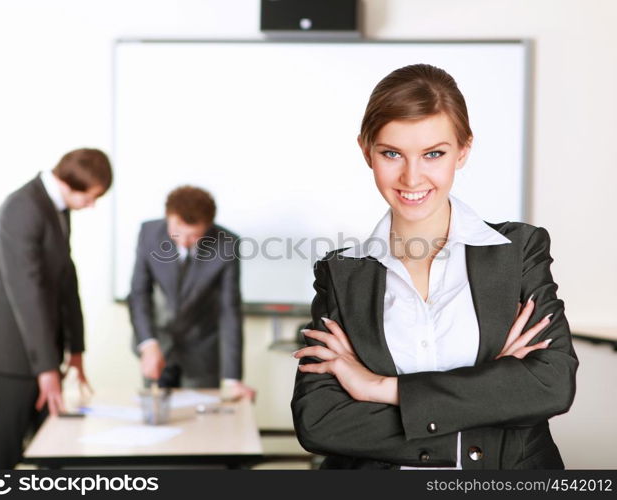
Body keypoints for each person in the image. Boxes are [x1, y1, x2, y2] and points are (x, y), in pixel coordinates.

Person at [290, 64, 578, 470]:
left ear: (462, 151)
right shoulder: (342, 275)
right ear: (365, 150)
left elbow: (550, 386)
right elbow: (320, 422)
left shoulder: (518, 252)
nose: (411, 177)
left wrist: (379, 387)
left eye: (433, 154)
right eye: (391, 153)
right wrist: (494, 391)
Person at [0, 148, 112, 469]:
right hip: (12, 362)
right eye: (91, 196)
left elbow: (65, 284)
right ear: (70, 183)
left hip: (43, 358)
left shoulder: (55, 208)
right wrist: (45, 369)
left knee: (53, 452)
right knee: (1, 455)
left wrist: (76, 350)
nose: (93, 204)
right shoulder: (22, 208)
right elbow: (27, 296)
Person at [128, 186, 255, 400]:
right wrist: (148, 344)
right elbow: (139, 293)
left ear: (208, 226)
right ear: (168, 217)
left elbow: (229, 311)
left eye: (194, 236)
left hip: (201, 348)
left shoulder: (227, 244)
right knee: (156, 414)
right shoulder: (149, 233)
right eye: (178, 233)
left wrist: (233, 379)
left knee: (202, 421)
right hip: (157, 343)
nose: (184, 242)